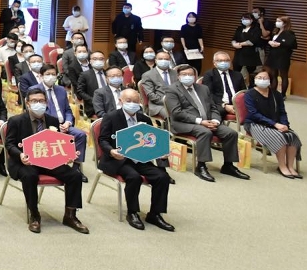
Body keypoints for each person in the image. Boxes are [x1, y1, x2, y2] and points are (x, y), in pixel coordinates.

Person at [4, 89, 88, 234]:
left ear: (46, 103)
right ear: (27, 103)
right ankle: (34, 215)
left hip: (48, 160)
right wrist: (20, 155)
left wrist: (67, 155)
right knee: (30, 176)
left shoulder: (52, 120)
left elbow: (58, 143)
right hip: (24, 161)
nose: (38, 104)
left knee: (74, 175)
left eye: (41, 101)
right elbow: (9, 144)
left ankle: (70, 215)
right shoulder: (16, 121)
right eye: (34, 101)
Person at [96, 89, 173, 231]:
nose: (132, 104)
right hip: (117, 160)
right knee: (134, 177)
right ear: (120, 101)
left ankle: (155, 214)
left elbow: (152, 142)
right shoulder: (111, 117)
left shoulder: (145, 119)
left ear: (140, 102)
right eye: (128, 101)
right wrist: (111, 151)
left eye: (135, 101)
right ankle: (132, 212)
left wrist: (160, 153)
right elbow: (103, 140)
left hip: (140, 159)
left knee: (162, 177)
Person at [164, 64, 249, 182]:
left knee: (231, 133)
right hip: (184, 123)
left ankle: (228, 165)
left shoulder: (203, 88)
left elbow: (213, 107)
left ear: (195, 76)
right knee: (205, 132)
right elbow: (176, 113)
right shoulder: (172, 90)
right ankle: (201, 166)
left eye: (190, 74)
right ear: (178, 76)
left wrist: (215, 120)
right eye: (184, 74)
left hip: (208, 121)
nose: (187, 76)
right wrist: (200, 122)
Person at [243, 67, 302, 179]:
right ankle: (282, 166)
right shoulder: (249, 94)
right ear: (254, 79)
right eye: (259, 77)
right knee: (279, 137)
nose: (262, 80)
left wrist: (285, 124)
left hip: (276, 123)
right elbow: (254, 114)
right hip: (255, 124)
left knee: (292, 136)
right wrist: (274, 124)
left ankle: (290, 166)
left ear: (270, 80)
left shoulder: (276, 94)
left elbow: (282, 112)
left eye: (265, 78)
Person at [33, 66, 88, 178]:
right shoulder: (35, 90)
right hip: (46, 126)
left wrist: (68, 122)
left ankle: (76, 167)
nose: (51, 77)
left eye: (53, 74)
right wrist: (55, 126)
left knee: (81, 135)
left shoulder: (61, 90)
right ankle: (57, 165)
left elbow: (68, 110)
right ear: (41, 76)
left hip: (64, 124)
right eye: (48, 74)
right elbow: (35, 112)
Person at [202, 51, 244, 120]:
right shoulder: (209, 74)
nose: (224, 62)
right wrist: (224, 105)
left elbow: (243, 92)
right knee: (220, 111)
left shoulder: (238, 75)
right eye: (220, 61)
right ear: (214, 63)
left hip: (236, 103)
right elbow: (209, 94)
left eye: (227, 60)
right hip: (219, 103)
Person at [139, 48, 176, 118]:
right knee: (173, 116)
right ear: (155, 60)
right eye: (161, 59)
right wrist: (168, 102)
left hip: (177, 103)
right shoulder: (148, 75)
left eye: (166, 59)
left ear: (170, 61)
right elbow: (151, 95)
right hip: (159, 105)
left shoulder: (175, 73)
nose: (163, 61)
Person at [266, 15, 298, 96]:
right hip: (273, 55)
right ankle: (273, 93)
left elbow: (292, 45)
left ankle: (283, 94)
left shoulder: (289, 33)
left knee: (283, 75)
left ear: (285, 23)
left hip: (282, 56)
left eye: (279, 21)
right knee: (273, 74)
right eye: (276, 21)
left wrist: (279, 44)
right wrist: (270, 42)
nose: (277, 23)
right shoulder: (276, 31)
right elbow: (272, 40)